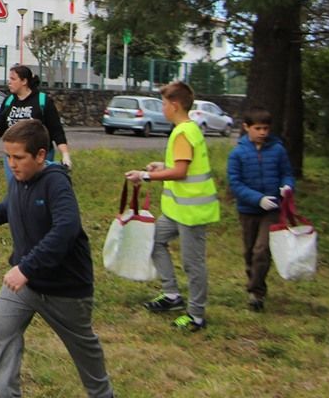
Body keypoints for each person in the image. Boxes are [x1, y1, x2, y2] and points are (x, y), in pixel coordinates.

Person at [0, 119, 113, 398]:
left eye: (18, 157)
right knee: (0, 327)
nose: (12, 164)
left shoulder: (55, 183)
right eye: (7, 157)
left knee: (84, 350)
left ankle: (102, 394)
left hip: (64, 289)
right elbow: (10, 206)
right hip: (25, 285)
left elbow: (66, 229)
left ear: (41, 155)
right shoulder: (20, 179)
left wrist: (26, 267)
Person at [125, 81, 219, 332]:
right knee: (154, 241)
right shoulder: (187, 129)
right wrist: (160, 165)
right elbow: (181, 164)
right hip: (178, 210)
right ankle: (172, 296)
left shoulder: (182, 132)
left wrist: (144, 176)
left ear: (174, 105)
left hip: (192, 212)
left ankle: (196, 315)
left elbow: (180, 171)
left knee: (193, 263)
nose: (163, 108)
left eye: (164, 103)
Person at [227, 105, 295, 312]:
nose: (263, 133)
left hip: (272, 210)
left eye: (266, 128)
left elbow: (287, 173)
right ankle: (253, 283)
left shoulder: (277, 150)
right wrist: (257, 199)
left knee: (261, 250)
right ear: (247, 127)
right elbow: (235, 183)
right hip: (248, 210)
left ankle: (257, 292)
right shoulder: (237, 153)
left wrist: (287, 186)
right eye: (258, 128)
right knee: (249, 251)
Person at [0, 64, 71, 170]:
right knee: (15, 185)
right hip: (14, 153)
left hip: (37, 154)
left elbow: (56, 130)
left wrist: (65, 154)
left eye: (13, 79)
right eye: (9, 79)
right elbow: (1, 124)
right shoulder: (8, 101)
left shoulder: (42, 101)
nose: (9, 82)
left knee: (37, 184)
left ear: (24, 81)